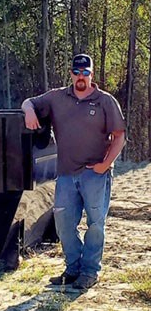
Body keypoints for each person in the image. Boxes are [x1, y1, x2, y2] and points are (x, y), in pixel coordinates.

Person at [21, 53, 126, 290]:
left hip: (95, 174)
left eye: (85, 72)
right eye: (77, 72)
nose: (81, 77)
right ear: (71, 73)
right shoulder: (57, 97)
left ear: (91, 74)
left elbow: (119, 136)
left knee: (95, 224)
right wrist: (29, 111)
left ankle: (90, 272)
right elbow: (29, 102)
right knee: (64, 224)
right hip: (66, 174)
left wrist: (105, 164)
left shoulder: (105, 101)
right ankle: (73, 269)